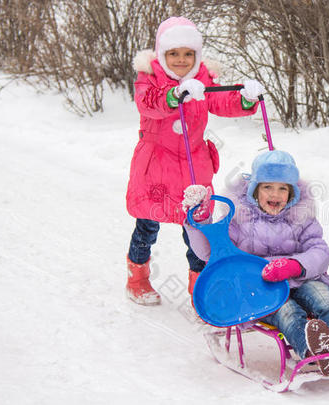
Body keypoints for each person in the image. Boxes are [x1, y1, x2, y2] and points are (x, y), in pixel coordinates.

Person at [183, 150, 329, 376]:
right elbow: (210, 253)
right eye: (268, 187)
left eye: (283, 188)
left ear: (292, 192)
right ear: (255, 190)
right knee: (288, 312)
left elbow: (320, 250)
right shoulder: (239, 219)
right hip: (261, 288)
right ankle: (311, 348)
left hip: (301, 278)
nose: (276, 194)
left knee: (324, 298)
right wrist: (199, 222)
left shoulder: (301, 215)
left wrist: (296, 265)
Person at [125, 16, 266, 305]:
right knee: (147, 226)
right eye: (173, 53)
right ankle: (137, 278)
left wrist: (245, 99)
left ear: (197, 55)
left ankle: (199, 287)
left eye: (188, 54)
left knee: (198, 232)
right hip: (155, 168)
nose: (181, 60)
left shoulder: (203, 76)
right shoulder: (149, 77)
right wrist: (175, 95)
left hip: (193, 167)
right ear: (162, 54)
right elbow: (147, 102)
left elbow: (220, 101)